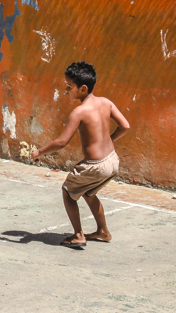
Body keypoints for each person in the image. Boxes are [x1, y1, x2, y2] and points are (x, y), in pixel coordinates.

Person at [32, 61, 130, 249]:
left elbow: (62, 142)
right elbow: (125, 126)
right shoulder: (106, 102)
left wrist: (40, 152)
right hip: (112, 161)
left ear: (83, 88)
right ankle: (103, 232)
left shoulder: (79, 112)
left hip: (95, 165)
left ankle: (78, 235)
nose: (65, 90)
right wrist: (109, 139)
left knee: (68, 192)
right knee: (88, 193)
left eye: (69, 87)